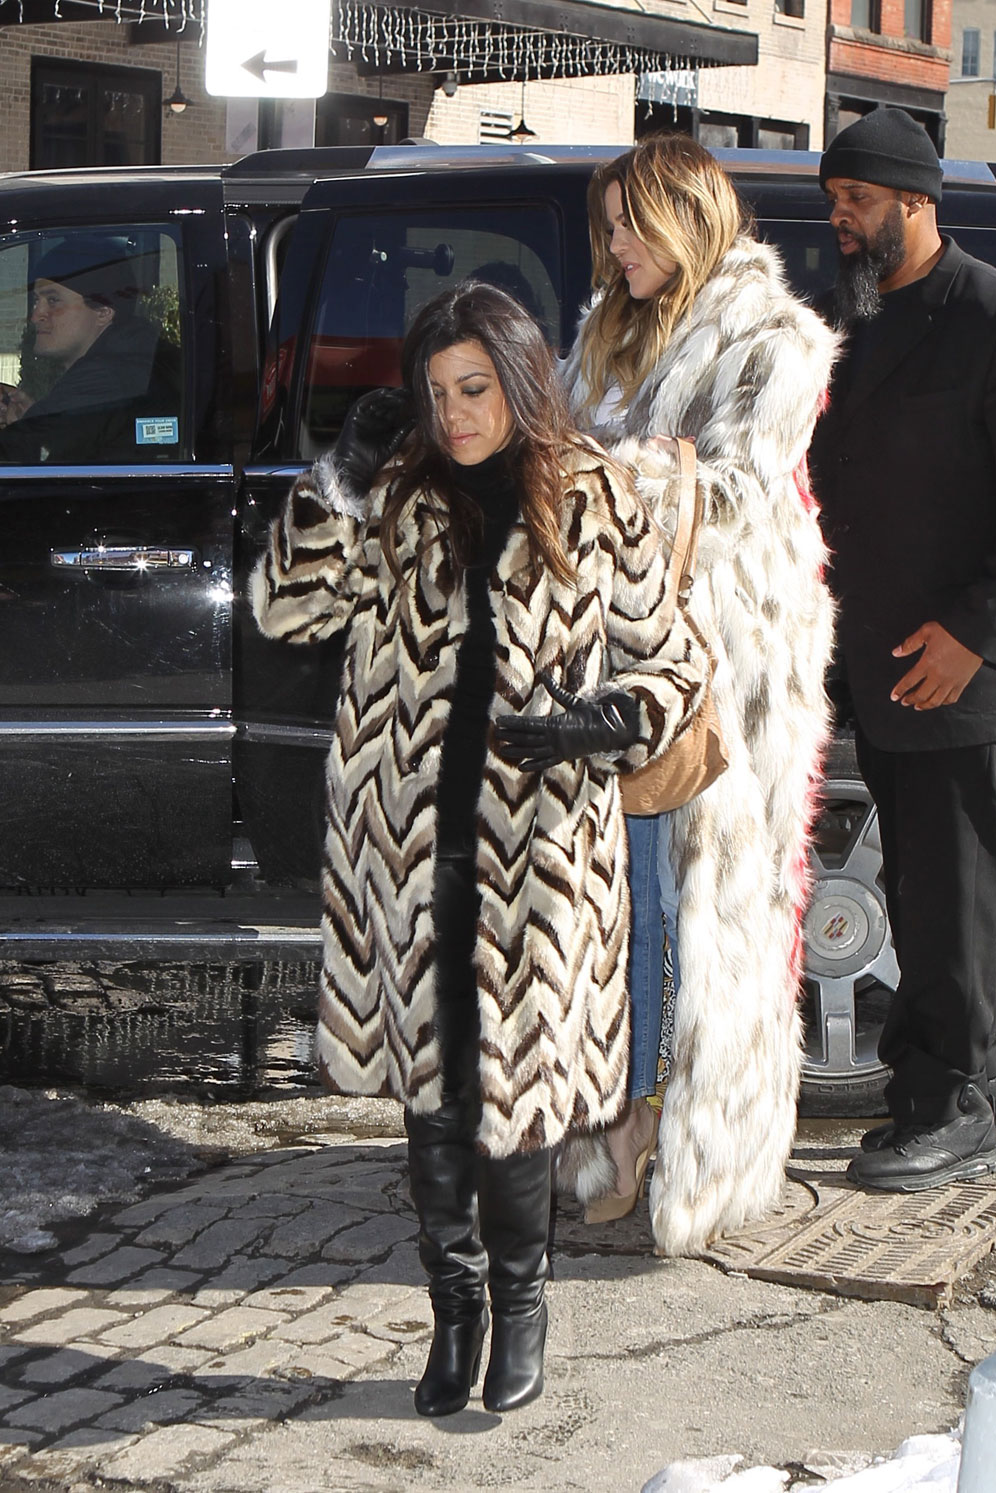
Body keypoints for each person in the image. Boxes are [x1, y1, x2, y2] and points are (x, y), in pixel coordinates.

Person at [251, 282, 708, 1414]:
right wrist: (339, 486)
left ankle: (524, 1302)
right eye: (437, 391)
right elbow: (284, 612)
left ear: (520, 378)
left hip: (540, 855)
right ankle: (452, 1311)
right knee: (436, 1094)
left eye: (476, 388)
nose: (456, 414)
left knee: (515, 1096)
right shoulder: (397, 499)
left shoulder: (598, 494)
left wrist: (608, 720)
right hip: (403, 851)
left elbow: (677, 658)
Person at [809, 107, 996, 1191]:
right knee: (944, 891)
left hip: (963, 668)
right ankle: (992, 1074)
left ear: (918, 203)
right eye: (836, 203)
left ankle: (947, 1104)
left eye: (860, 202)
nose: (841, 220)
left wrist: (974, 634)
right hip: (881, 661)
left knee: (947, 896)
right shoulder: (861, 314)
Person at [559, 134, 837, 1251]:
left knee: (707, 915)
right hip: (608, 657)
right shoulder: (605, 330)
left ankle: (702, 1142)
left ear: (687, 216)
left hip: (725, 662)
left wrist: (600, 479)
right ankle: (614, 1127)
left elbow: (732, 486)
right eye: (609, 227)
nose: (616, 245)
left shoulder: (779, 341)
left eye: (631, 223)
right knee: (615, 907)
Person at [0, 235, 172, 463]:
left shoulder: (106, 378)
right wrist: (34, 416)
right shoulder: (124, 364)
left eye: (53, 301)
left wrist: (32, 425)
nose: (35, 316)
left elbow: (15, 459)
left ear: (103, 312)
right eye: (36, 301)